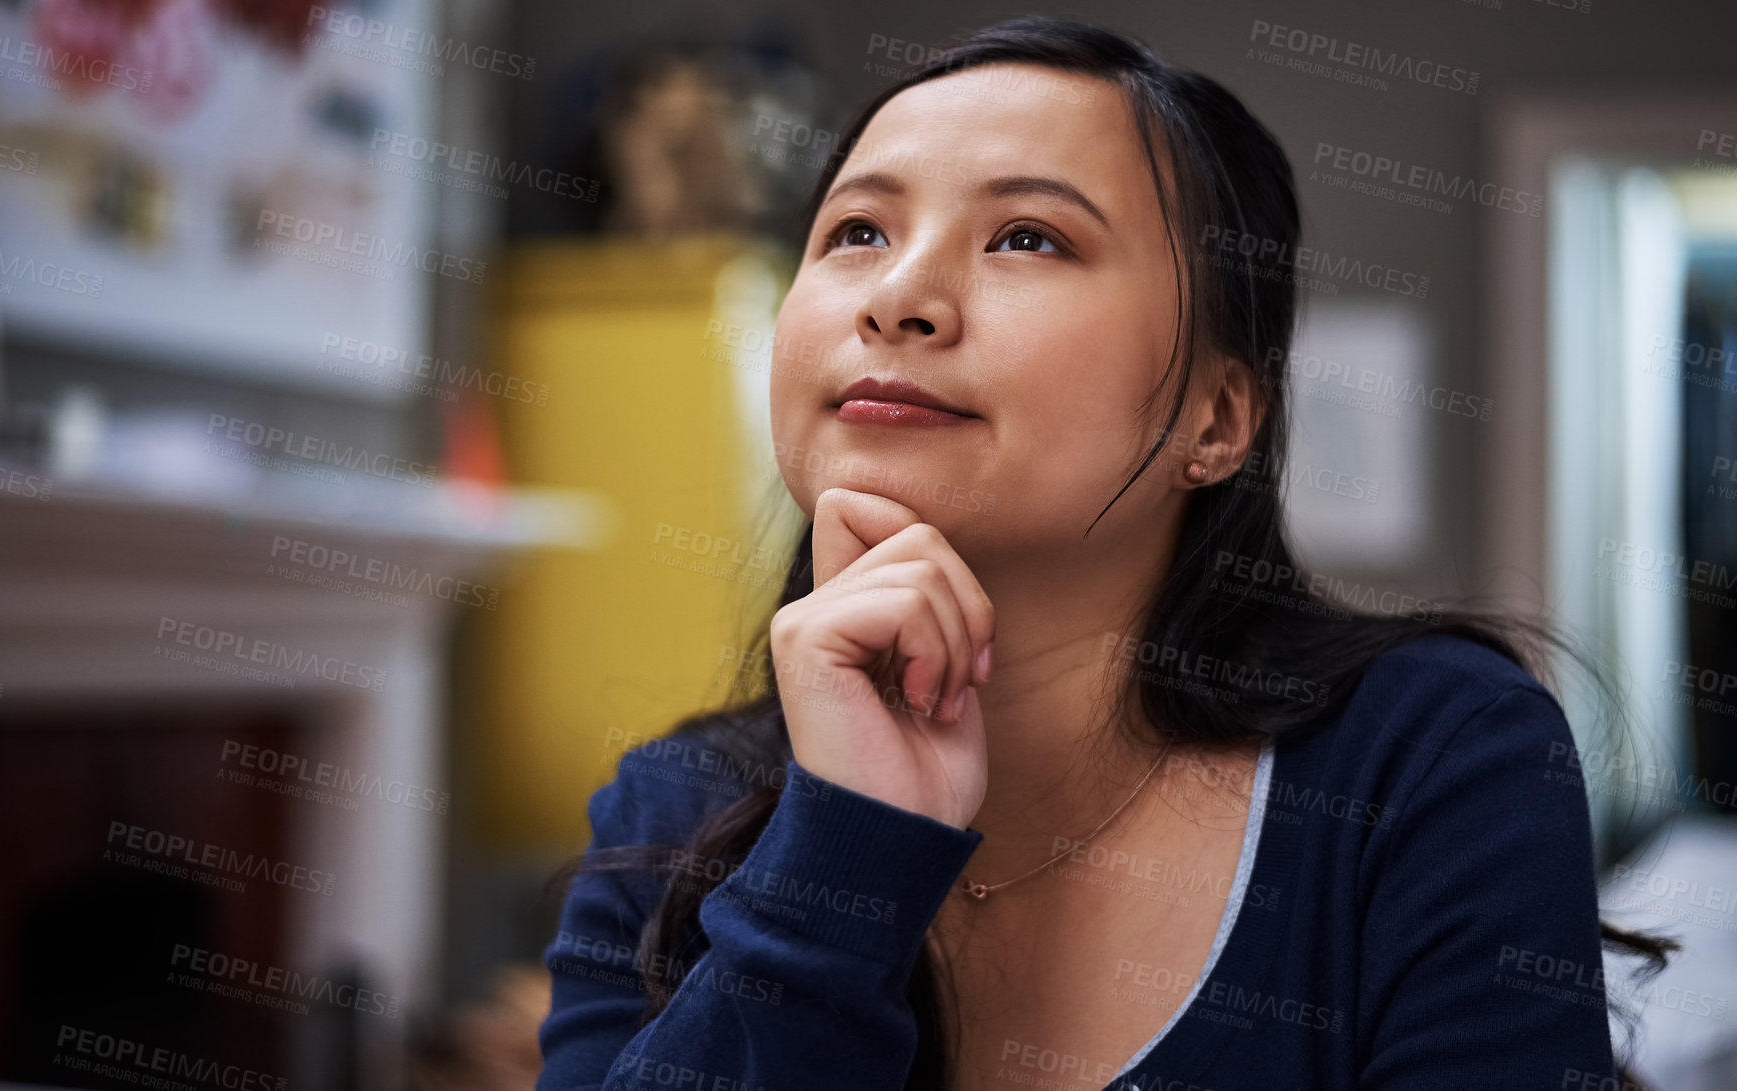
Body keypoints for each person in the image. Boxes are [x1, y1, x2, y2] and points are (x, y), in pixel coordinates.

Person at [535, 16, 1671, 1091]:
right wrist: (845, 847)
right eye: (856, 232)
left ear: (1218, 419)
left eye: (1027, 236)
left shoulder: (1427, 758)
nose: (897, 298)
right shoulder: (669, 808)